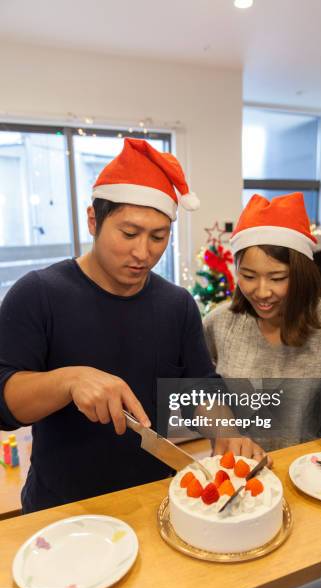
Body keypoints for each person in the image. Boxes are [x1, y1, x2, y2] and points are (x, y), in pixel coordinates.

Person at [0, 138, 263, 513]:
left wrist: (225, 429)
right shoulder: (39, 294)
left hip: (157, 503)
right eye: (128, 234)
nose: (144, 253)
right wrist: (68, 381)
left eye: (159, 237)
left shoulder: (176, 305)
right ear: (93, 220)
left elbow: (198, 387)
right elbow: (5, 403)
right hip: (60, 509)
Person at [203, 192, 321, 468]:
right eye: (248, 276)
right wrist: (223, 431)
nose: (262, 292)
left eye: (277, 278)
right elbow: (197, 392)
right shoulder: (220, 323)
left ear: (301, 274)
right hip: (243, 475)